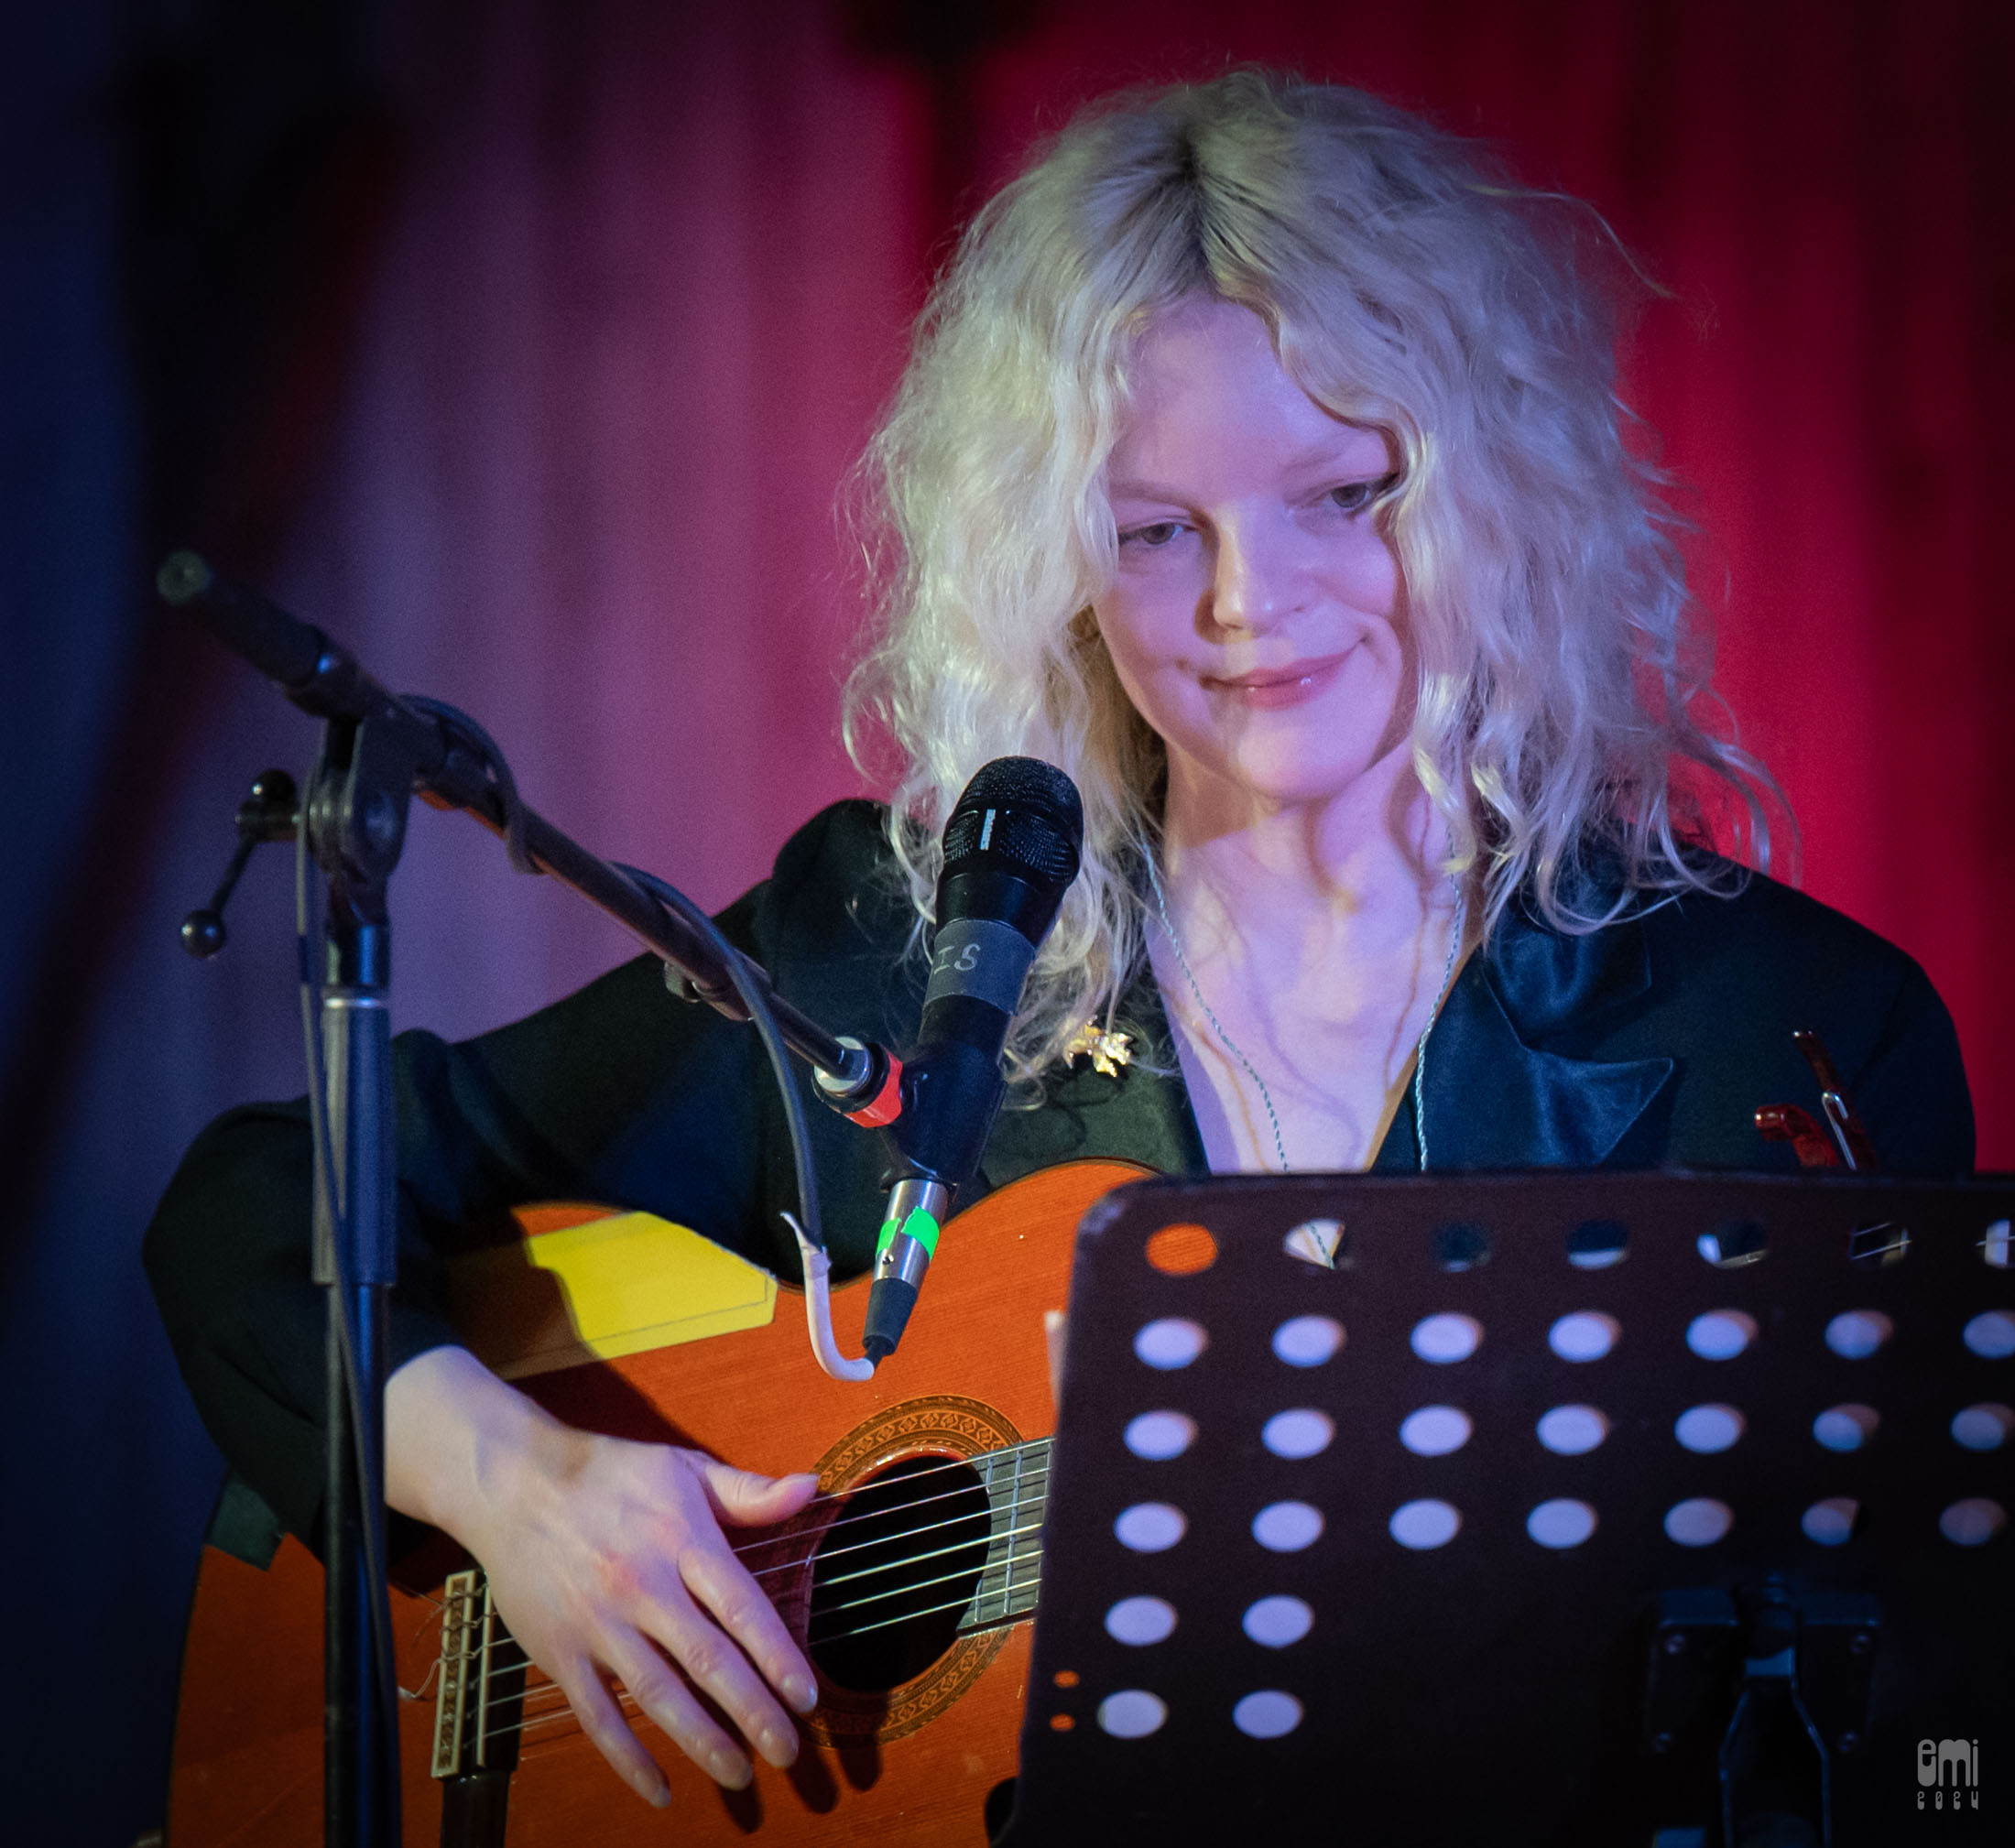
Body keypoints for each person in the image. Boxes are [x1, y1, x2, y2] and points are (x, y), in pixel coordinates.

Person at [145, 70, 1974, 1813]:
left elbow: (1904, 1731)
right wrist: (522, 1485)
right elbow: (251, 1206)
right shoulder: (907, 947)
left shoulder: (1786, 1040)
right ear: (1055, 563)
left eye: (1345, 496)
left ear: (1490, 494)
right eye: (1153, 531)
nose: (1252, 608)